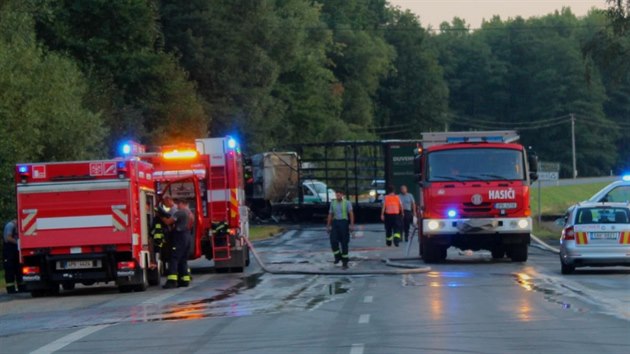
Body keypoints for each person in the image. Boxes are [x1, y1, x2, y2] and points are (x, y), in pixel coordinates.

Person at [160, 199, 192, 288]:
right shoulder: (190, 213)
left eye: (178, 204)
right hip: (187, 237)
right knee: (183, 260)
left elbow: (168, 222)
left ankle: (172, 281)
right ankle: (184, 280)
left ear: (182, 203)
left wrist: (160, 216)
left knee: (174, 258)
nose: (177, 206)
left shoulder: (180, 213)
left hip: (179, 237)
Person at [326, 191, 355, 269]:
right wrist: (328, 226)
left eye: (339, 194)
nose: (337, 196)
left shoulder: (347, 203)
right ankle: (337, 256)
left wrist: (351, 225)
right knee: (333, 241)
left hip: (344, 223)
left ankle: (345, 261)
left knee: (344, 242)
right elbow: (330, 214)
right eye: (336, 194)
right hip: (335, 223)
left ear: (342, 195)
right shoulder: (333, 203)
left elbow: (351, 213)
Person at [3, 218, 23, 294]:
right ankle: (11, 289)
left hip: (14, 250)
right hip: (9, 250)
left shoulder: (15, 226)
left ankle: (21, 287)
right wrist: (18, 243)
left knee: (18, 268)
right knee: (10, 269)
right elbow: (8, 238)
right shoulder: (10, 225)